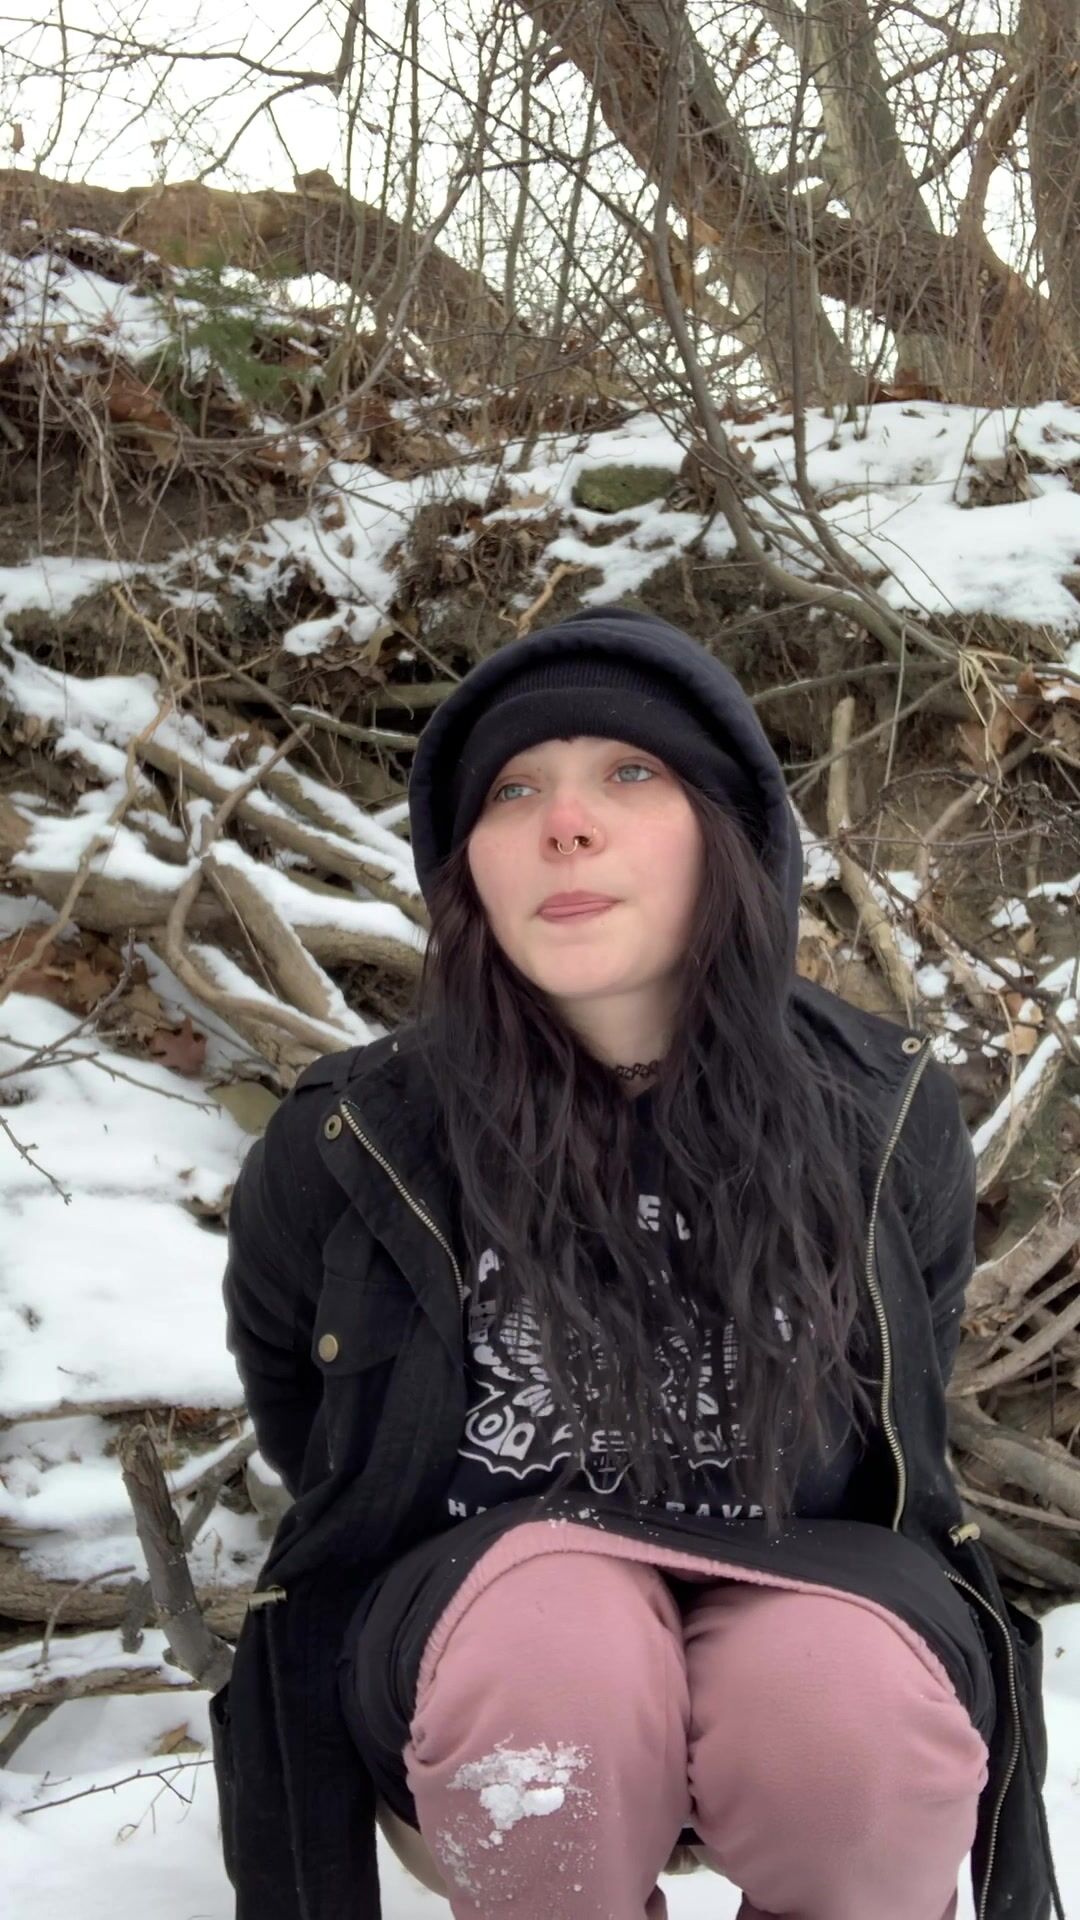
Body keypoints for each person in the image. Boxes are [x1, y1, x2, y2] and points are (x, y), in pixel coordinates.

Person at [210, 604, 1062, 1920]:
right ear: (464, 862)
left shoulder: (880, 1117)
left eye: (629, 772)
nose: (566, 822)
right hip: (477, 1637)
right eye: (513, 789)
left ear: (730, 832)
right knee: (558, 1655)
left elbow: (906, 1398)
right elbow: (307, 1416)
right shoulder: (354, 1140)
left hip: (821, 1588)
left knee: (845, 1713)